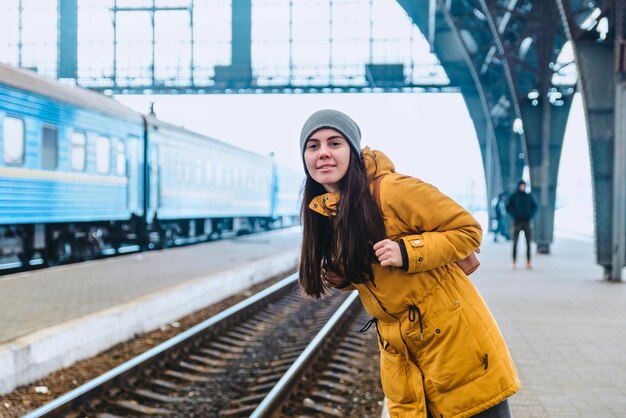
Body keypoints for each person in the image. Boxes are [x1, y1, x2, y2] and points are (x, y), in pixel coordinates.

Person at [298, 109, 519, 418]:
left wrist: (407, 250)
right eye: (313, 146)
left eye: (334, 143)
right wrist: (346, 277)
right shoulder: (329, 212)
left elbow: (469, 230)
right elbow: (377, 271)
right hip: (402, 357)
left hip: (456, 346)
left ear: (353, 150)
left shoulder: (393, 190)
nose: (323, 153)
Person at [505, 180, 538, 270]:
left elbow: (535, 206)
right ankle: (514, 262)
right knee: (515, 242)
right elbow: (507, 206)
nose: (522, 187)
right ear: (518, 186)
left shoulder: (529, 196)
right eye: (521, 185)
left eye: (524, 185)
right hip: (517, 222)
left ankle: (528, 262)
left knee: (528, 243)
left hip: (527, 222)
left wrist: (530, 215)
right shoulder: (513, 196)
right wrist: (514, 214)